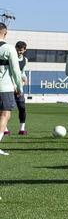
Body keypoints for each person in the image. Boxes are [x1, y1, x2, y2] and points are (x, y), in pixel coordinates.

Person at [0, 23, 23, 156]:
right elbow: (16, 70)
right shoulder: (8, 48)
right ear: (5, 32)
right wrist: (19, 88)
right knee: (5, 114)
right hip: (4, 87)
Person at [12, 41, 28, 135]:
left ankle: (22, 129)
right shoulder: (11, 58)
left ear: (25, 50)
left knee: (22, 108)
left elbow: (22, 72)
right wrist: (13, 85)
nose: (19, 52)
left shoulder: (25, 60)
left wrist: (24, 78)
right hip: (9, 87)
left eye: (21, 50)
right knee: (5, 109)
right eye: (18, 50)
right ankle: (5, 129)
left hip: (19, 87)